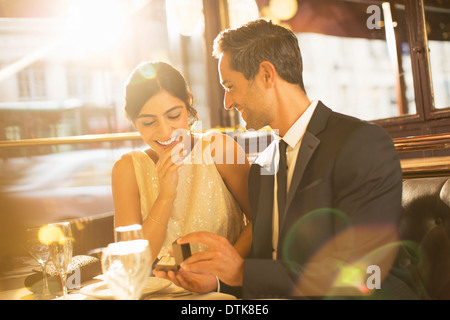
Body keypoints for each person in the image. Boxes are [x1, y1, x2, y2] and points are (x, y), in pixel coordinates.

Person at [161, 19, 422, 299]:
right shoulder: (263, 166)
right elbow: (269, 269)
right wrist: (219, 282)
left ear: (266, 75)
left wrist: (241, 272)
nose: (227, 102)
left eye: (230, 86)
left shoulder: (362, 144)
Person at [111, 61, 252, 262]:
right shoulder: (127, 170)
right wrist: (166, 197)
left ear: (188, 104)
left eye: (174, 115)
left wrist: (223, 270)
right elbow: (130, 262)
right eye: (149, 122)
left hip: (221, 289)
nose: (165, 132)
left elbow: (262, 220)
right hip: (157, 290)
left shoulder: (219, 150)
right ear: (133, 121)